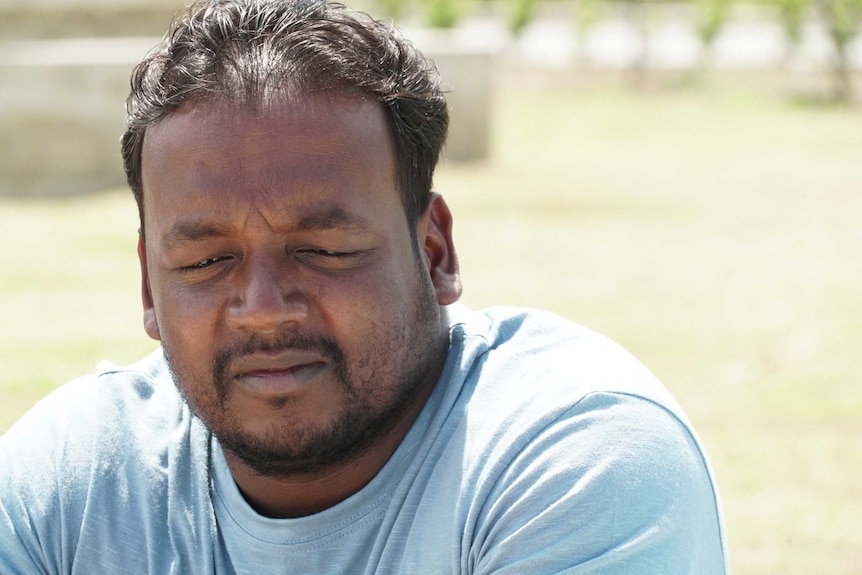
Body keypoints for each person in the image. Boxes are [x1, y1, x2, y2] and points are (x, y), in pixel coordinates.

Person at [0, 1, 727, 573]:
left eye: (323, 248)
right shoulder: (73, 484)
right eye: (204, 262)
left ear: (435, 251)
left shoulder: (577, 458)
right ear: (149, 289)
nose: (262, 308)